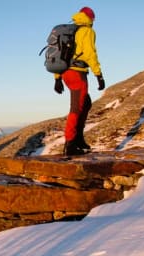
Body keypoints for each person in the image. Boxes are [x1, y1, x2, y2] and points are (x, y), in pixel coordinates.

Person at [54, 6, 105, 155]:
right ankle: (70, 145)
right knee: (77, 107)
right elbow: (90, 53)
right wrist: (98, 75)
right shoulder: (86, 31)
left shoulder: (70, 31)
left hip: (65, 73)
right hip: (77, 73)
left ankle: (78, 139)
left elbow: (60, 55)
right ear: (90, 18)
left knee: (86, 103)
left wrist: (57, 78)